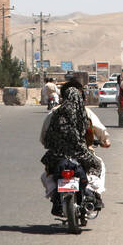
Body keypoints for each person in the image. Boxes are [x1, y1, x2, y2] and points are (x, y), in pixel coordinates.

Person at [39, 81, 110, 216]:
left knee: (47, 174)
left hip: (57, 155)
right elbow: (100, 131)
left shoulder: (54, 113)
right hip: (82, 154)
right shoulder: (85, 113)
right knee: (98, 166)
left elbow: (44, 138)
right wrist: (105, 141)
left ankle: (55, 197)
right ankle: (92, 193)